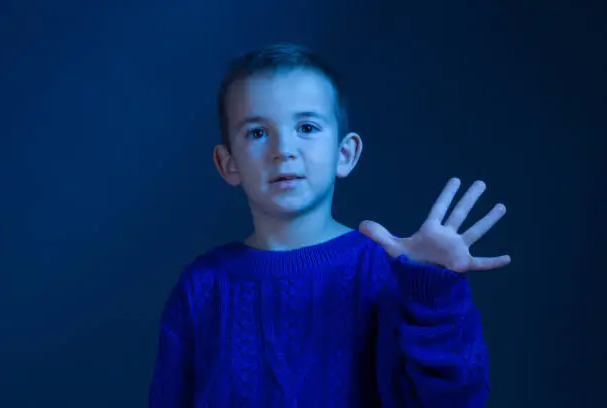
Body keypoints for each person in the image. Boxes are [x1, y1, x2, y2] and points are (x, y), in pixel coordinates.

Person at [148, 43, 511, 408]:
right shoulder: (202, 286)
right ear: (228, 164)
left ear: (345, 154)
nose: (283, 149)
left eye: (306, 127)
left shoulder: (388, 274)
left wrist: (432, 288)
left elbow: (457, 400)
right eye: (257, 133)